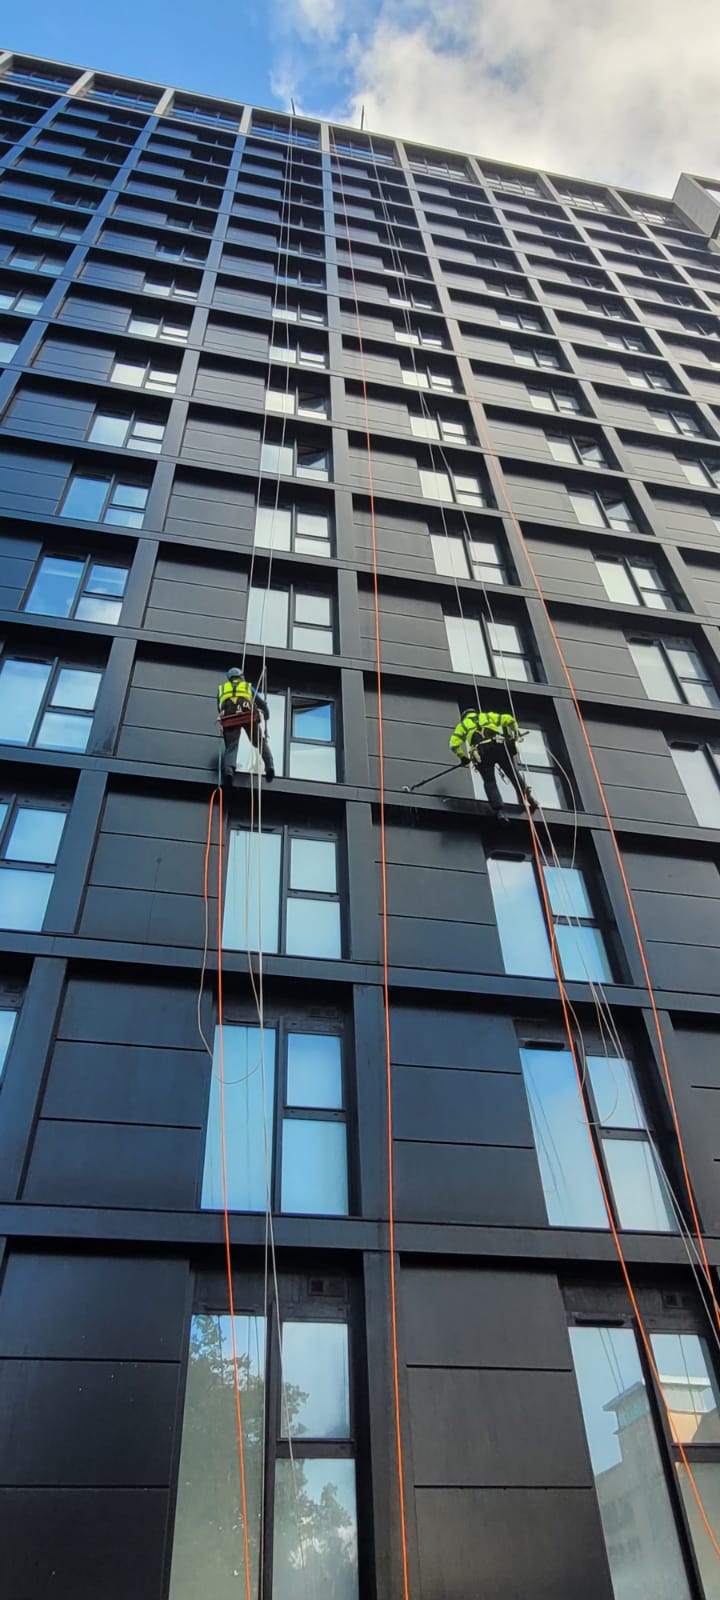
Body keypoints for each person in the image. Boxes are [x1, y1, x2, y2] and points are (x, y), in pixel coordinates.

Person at [450, 707, 538, 816]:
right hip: (499, 747)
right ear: (475, 713)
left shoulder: (462, 725)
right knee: (512, 773)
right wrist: (516, 733)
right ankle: (528, 797)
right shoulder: (486, 716)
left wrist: (463, 757)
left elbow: (453, 745)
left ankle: (499, 811)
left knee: (490, 782)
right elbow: (509, 719)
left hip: (482, 754)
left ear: (464, 717)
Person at [217, 668, 274, 782]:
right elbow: (261, 703)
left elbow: (219, 707)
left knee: (231, 745)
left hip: (229, 719)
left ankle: (229, 771)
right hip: (247, 715)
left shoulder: (221, 689)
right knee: (259, 741)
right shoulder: (247, 686)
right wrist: (266, 714)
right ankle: (270, 767)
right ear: (240, 676)